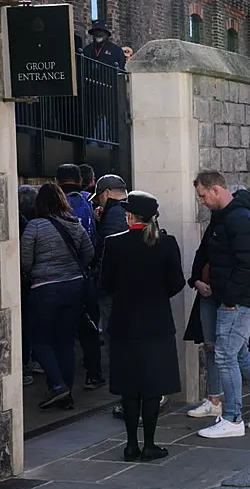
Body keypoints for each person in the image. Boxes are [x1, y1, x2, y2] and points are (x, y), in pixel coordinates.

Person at [192, 171, 250, 438]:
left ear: (216, 190)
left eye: (202, 195)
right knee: (240, 354)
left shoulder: (239, 218)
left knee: (224, 355)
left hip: (240, 301)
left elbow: (249, 265)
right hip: (235, 299)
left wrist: (230, 300)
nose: (202, 201)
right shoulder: (225, 217)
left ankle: (233, 419)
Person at [100, 191, 185, 462]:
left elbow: (105, 285)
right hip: (156, 323)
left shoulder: (114, 244)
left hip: (125, 323)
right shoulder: (167, 243)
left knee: (129, 387)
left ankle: (130, 445)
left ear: (129, 216)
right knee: (151, 387)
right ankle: (149, 444)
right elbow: (176, 283)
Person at [20, 183, 94, 409]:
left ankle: (59, 387)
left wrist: (36, 272)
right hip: (74, 288)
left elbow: (24, 261)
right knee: (65, 342)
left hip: (45, 289)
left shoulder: (34, 226)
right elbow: (89, 253)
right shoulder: (74, 224)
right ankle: (66, 392)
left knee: (40, 340)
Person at [56, 164, 104, 390]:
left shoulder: (53, 204)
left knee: (61, 332)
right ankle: (94, 374)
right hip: (85, 274)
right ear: (81, 180)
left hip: (59, 277)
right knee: (89, 327)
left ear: (57, 181)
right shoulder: (88, 202)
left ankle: (60, 383)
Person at [89, 175, 129, 416]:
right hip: (127, 290)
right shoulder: (131, 209)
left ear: (105, 193)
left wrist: (101, 282)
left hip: (113, 292)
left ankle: (127, 398)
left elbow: (106, 253)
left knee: (117, 345)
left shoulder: (114, 215)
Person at [19, 185, 39, 387]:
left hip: (30, 280)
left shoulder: (28, 225)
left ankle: (26, 364)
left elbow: (26, 259)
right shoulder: (30, 223)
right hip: (36, 281)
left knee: (25, 324)